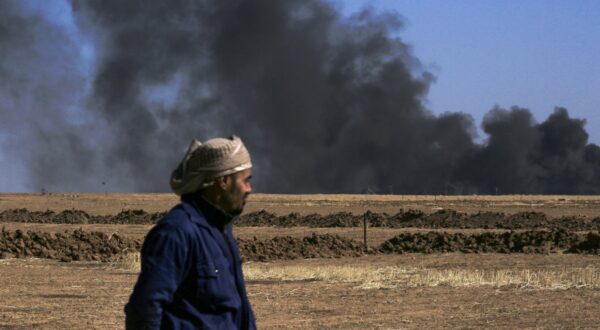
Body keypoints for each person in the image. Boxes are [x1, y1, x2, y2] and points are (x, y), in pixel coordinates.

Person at [125, 135, 256, 329]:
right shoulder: (177, 232)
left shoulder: (221, 230)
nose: (249, 189)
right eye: (245, 180)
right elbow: (145, 309)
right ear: (223, 181)